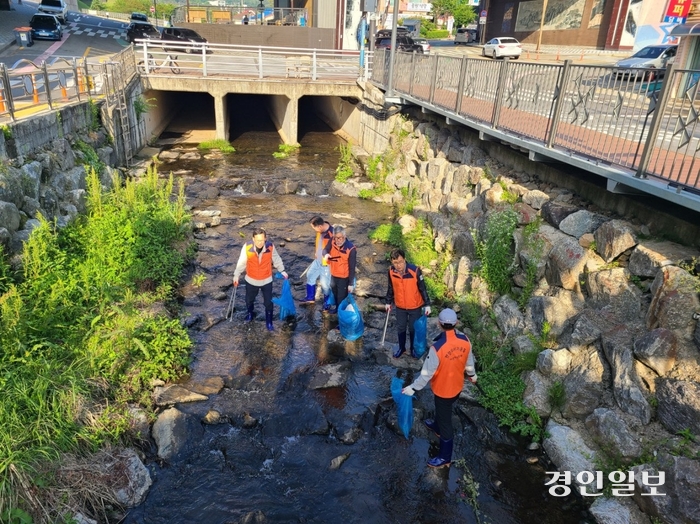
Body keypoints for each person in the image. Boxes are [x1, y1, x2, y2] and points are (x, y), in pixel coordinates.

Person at [401, 308, 476, 468]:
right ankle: (436, 425)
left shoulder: (437, 348)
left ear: (439, 324)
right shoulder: (465, 340)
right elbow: (469, 362)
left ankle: (445, 458)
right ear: (456, 323)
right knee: (442, 411)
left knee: (446, 423)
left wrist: (413, 388)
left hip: (443, 391)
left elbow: (426, 373)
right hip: (457, 387)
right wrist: (472, 375)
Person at [233, 228, 288, 331]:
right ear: (253, 239)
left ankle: (269, 323)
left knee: (268, 302)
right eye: (258, 240)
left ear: (265, 239)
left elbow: (276, 259)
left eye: (262, 240)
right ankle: (250, 314)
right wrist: (236, 275)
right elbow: (241, 262)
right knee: (249, 299)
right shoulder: (247, 247)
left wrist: (282, 270)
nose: (260, 243)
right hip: (251, 280)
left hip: (266, 280)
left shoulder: (270, 247)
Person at [384, 248, 431, 359]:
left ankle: (413, 349)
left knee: (413, 328)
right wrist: (388, 302)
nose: (398, 265)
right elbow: (390, 288)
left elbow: (423, 289)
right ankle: (401, 348)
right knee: (401, 327)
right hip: (400, 306)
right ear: (392, 262)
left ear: (404, 259)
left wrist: (427, 304)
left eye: (400, 262)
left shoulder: (415, 271)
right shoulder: (391, 271)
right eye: (395, 263)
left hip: (415, 306)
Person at [301, 216, 334, 309]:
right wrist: (316, 251)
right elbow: (319, 242)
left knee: (325, 284)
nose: (313, 229)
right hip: (317, 260)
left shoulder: (333, 234)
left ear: (319, 226)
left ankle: (327, 303)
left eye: (313, 227)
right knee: (310, 275)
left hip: (327, 263)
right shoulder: (320, 231)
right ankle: (310, 298)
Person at [322, 225, 356, 314]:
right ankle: (337, 309)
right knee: (335, 294)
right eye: (336, 238)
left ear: (344, 237)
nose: (338, 240)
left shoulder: (351, 249)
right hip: (333, 275)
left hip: (344, 278)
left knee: (341, 298)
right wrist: (325, 255)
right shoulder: (332, 241)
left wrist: (351, 283)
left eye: (340, 238)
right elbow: (325, 250)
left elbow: (352, 267)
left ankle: (341, 316)